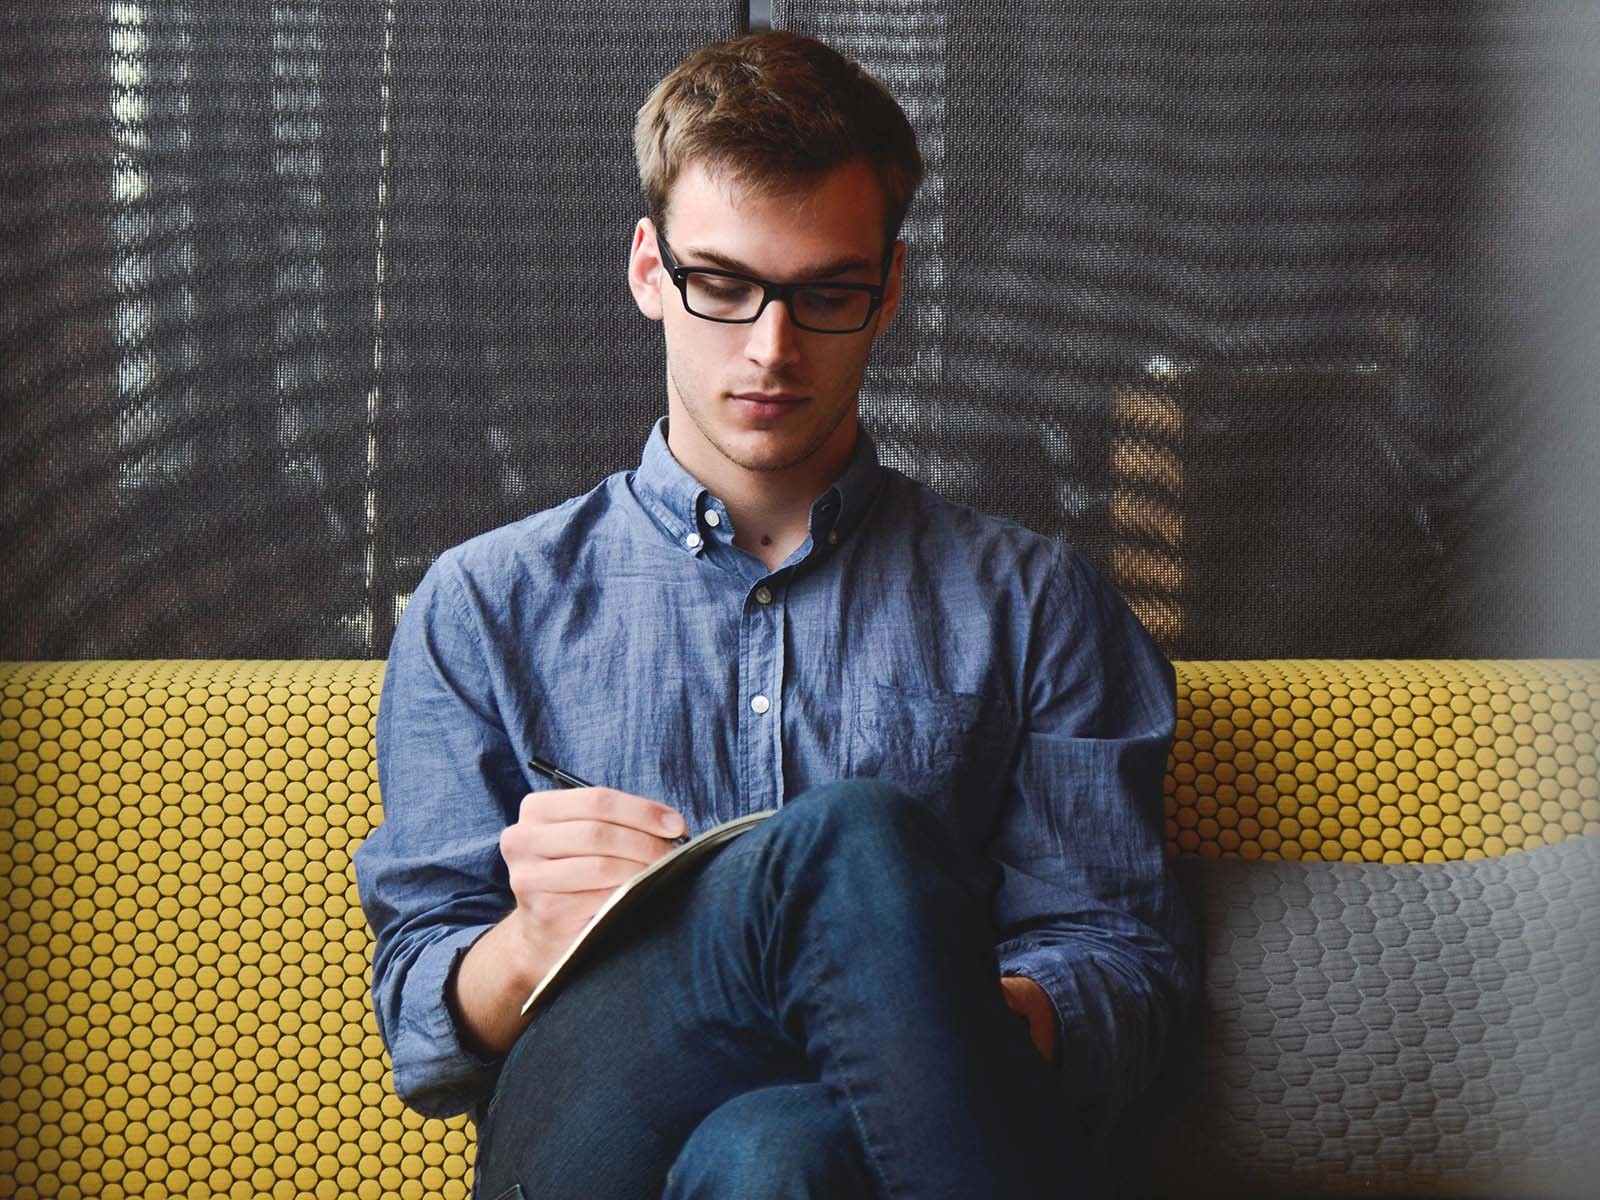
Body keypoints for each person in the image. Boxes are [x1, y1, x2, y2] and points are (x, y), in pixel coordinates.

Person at [355, 30, 1198, 1200]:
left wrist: (907, 1002)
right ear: (650, 271)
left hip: (853, 1146)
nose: (770, 348)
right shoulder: (486, 602)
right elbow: (419, 1019)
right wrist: (529, 940)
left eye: (825, 294)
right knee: (850, 845)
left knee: (776, 1156)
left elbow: (1123, 977)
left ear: (890, 290)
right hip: (585, 1142)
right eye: (723, 284)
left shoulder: (1036, 603)